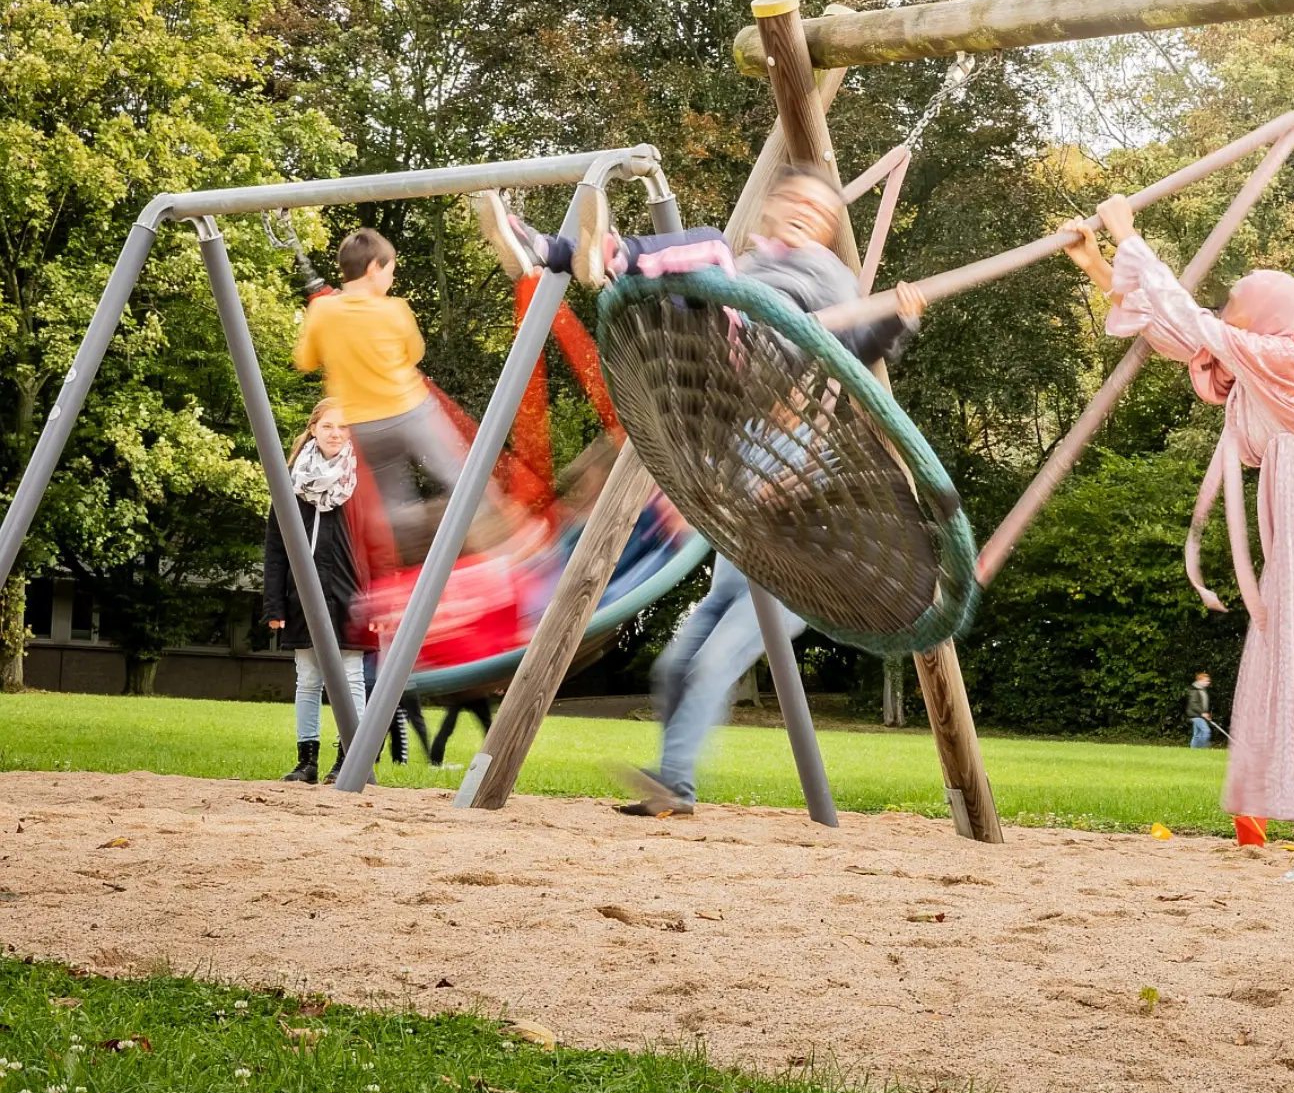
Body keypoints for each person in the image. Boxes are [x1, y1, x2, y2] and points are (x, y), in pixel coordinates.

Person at [475, 167, 926, 816]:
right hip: (726, 405)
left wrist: (897, 321)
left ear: (830, 226)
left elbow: (857, 343)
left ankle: (574, 253)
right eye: (792, 200)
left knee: (708, 249)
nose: (803, 211)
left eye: (816, 207)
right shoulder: (752, 263)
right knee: (672, 668)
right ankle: (675, 787)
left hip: (789, 535)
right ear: (769, 210)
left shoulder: (824, 272)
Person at [1061, 197, 1294, 884]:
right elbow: (1177, 330)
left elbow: (1187, 319)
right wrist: (1097, 262)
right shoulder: (1257, 363)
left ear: (1270, 314)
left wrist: (1129, 234)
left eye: (1237, 301)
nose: (1226, 307)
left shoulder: (1285, 363)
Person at [292, 228, 466, 513]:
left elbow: (305, 361)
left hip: (365, 425)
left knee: (394, 503)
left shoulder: (323, 311)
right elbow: (414, 354)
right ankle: (496, 533)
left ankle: (420, 549)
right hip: (410, 409)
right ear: (374, 268)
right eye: (391, 272)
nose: (392, 279)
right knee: (458, 473)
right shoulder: (394, 309)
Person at [265, 398, 369, 785]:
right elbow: (276, 548)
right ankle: (306, 761)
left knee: (351, 677)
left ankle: (349, 758)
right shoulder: (289, 482)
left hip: (350, 596)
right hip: (302, 596)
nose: (336, 433)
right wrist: (274, 603)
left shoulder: (362, 485)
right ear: (313, 429)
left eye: (343, 427)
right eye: (328, 426)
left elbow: (381, 548)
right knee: (307, 679)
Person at [1187, 672, 1213, 748]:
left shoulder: (1202, 690)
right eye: (1206, 681)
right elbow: (1193, 704)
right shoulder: (1195, 690)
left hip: (1200, 715)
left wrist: (1206, 714)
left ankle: (1193, 750)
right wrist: (1202, 713)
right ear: (1199, 680)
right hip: (1195, 714)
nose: (1208, 682)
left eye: (1208, 681)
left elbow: (1203, 704)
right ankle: (1203, 749)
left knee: (1197, 735)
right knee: (1206, 731)